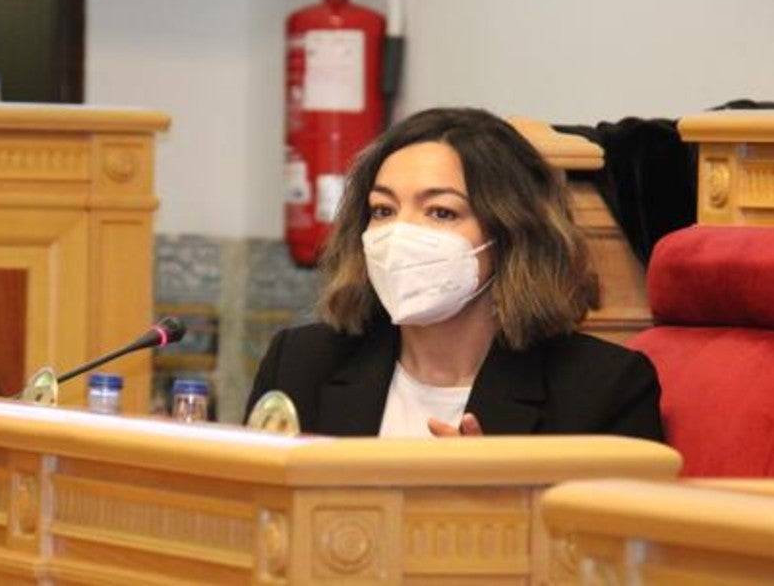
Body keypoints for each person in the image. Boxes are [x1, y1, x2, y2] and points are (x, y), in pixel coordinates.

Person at [246, 107, 664, 440]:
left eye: (441, 212)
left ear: (509, 234)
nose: (400, 233)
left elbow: (621, 545)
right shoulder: (300, 364)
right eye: (383, 210)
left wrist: (501, 505)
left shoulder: (605, 389)